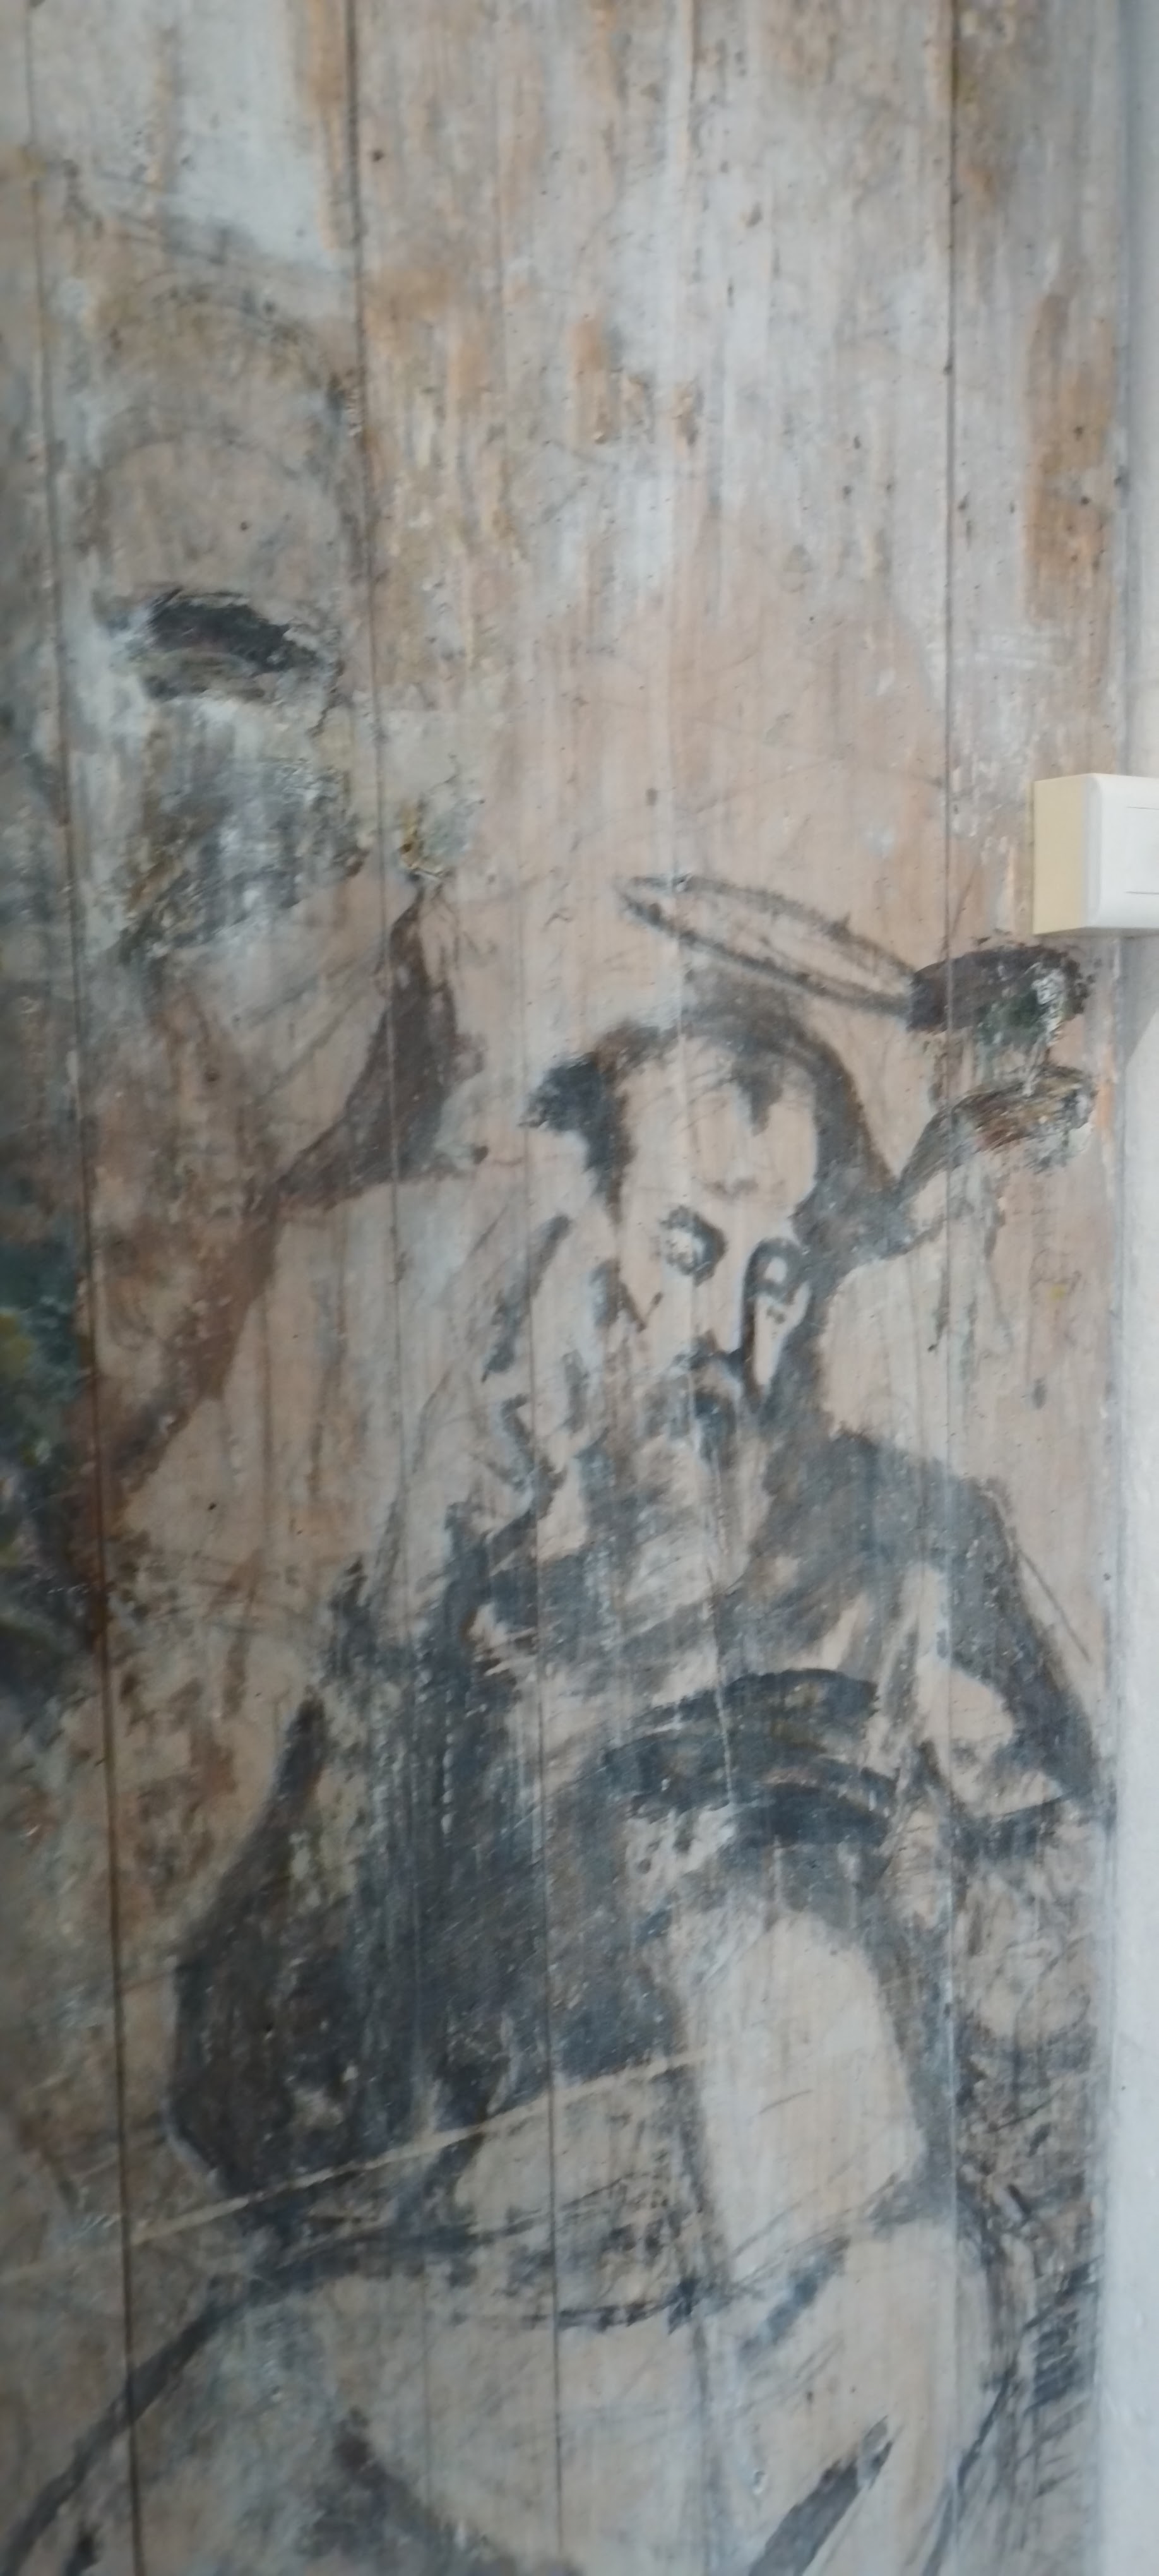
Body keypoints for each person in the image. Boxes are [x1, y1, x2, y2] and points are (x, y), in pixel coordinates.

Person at [3, 890, 1099, 2574]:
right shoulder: (482, 1606)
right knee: (222, 2421)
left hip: (847, 2284)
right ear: (591, 1243)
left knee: (902, 2322)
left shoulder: (913, 1551)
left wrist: (927, 1857)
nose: (732, 1334)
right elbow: (258, 2090)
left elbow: (1087, 1959)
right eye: (690, 1252)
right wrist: (422, 1702)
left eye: (780, 1276)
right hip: (537, 2314)